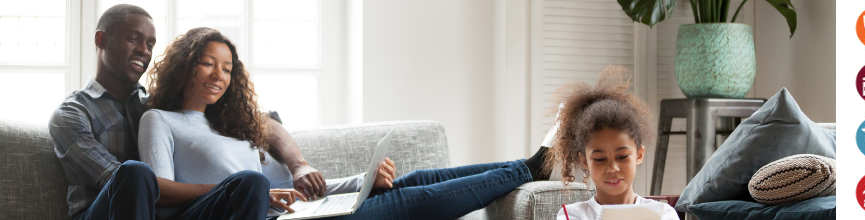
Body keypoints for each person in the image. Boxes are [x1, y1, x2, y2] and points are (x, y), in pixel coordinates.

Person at [138, 27, 554, 220]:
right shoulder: (161, 120)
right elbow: (157, 191)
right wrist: (247, 192)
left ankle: (530, 164)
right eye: (207, 63)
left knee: (413, 179)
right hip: (272, 219)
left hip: (302, 211)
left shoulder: (233, 125)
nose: (218, 75)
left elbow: (293, 192)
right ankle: (525, 170)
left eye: (227, 68)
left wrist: (362, 179)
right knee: (410, 204)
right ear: (184, 66)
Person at [49, 4, 327, 220]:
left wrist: (298, 164)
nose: (144, 51)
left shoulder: (151, 104)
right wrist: (224, 188)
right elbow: (121, 181)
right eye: (134, 39)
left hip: (158, 210)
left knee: (249, 182)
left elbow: (263, 122)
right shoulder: (71, 115)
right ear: (101, 39)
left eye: (150, 44)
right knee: (135, 173)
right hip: (100, 214)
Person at [546, 66, 679, 220]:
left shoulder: (662, 213)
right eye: (600, 159)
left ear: (639, 155)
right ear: (585, 161)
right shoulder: (572, 215)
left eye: (622, 156)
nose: (612, 168)